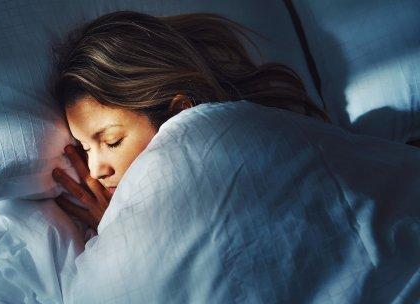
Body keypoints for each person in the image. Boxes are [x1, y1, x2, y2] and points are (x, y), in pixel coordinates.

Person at [49, 10, 328, 231]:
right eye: (84, 148)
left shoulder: (264, 141)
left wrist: (117, 234)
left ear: (179, 112)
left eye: (112, 141)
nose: (95, 170)